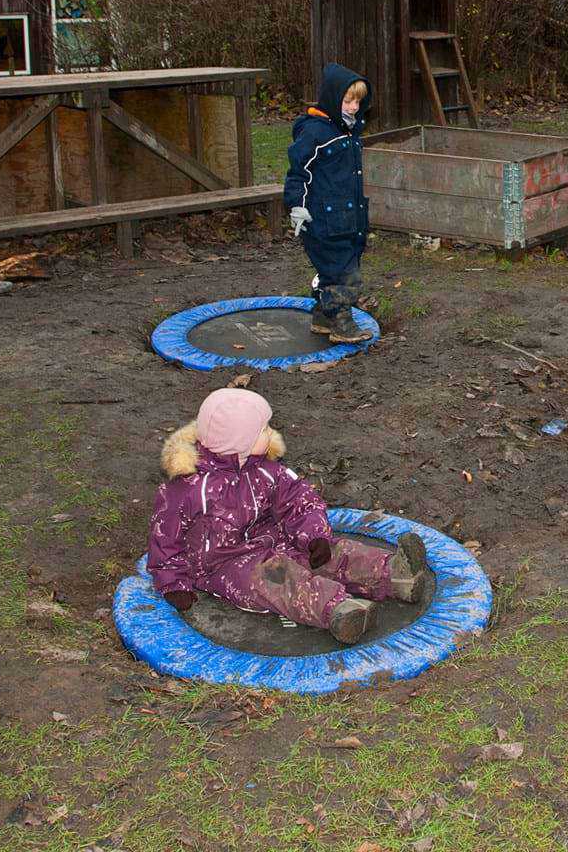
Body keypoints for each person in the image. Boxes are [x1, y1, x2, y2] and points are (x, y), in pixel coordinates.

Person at [147, 388, 433, 645]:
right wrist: (174, 584)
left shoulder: (266, 470)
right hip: (227, 566)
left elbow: (300, 501)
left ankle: (395, 574)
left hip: (277, 541)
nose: (270, 433)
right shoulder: (188, 488)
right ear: (237, 441)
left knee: (332, 553)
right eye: (262, 430)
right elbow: (165, 539)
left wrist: (315, 536)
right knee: (282, 579)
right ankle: (338, 610)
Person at [284, 64, 372, 343]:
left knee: (337, 267)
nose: (354, 107)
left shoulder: (348, 130)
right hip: (322, 219)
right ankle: (341, 324)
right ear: (333, 98)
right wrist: (296, 205)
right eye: (348, 100)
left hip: (348, 217)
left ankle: (323, 316)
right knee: (345, 275)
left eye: (358, 100)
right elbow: (298, 172)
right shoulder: (315, 133)